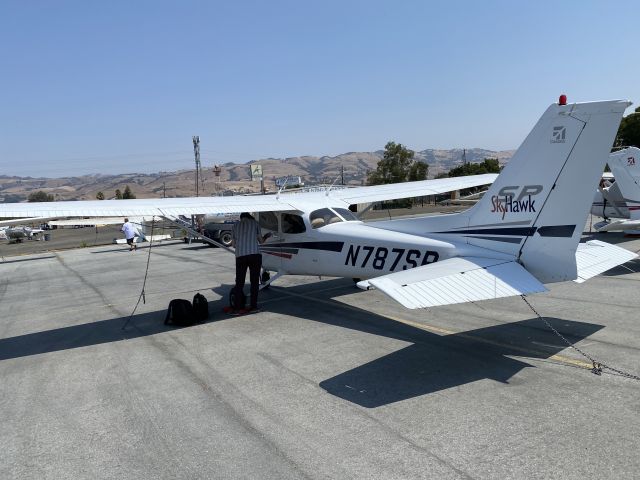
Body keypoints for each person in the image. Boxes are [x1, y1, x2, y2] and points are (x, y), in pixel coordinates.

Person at [231, 212, 269, 313]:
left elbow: (233, 244)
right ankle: (253, 307)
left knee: (239, 283)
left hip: (240, 256)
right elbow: (261, 241)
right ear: (249, 216)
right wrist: (266, 236)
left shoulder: (235, 225)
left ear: (241, 218)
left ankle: (237, 308)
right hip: (255, 256)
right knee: (254, 282)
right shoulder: (255, 223)